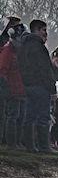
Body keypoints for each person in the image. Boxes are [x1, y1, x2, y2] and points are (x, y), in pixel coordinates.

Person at [18, 19, 57, 153]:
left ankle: (30, 145)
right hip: (41, 86)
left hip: (28, 85)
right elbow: (45, 69)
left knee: (29, 116)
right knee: (43, 116)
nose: (46, 33)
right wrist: (52, 88)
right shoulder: (39, 47)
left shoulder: (24, 45)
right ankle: (44, 146)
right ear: (38, 30)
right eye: (44, 30)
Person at [0, 18, 26, 149]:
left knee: (21, 117)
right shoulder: (7, 51)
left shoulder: (20, 52)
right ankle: (11, 143)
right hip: (12, 90)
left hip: (21, 89)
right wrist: (7, 88)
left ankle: (18, 142)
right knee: (13, 116)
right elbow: (2, 71)